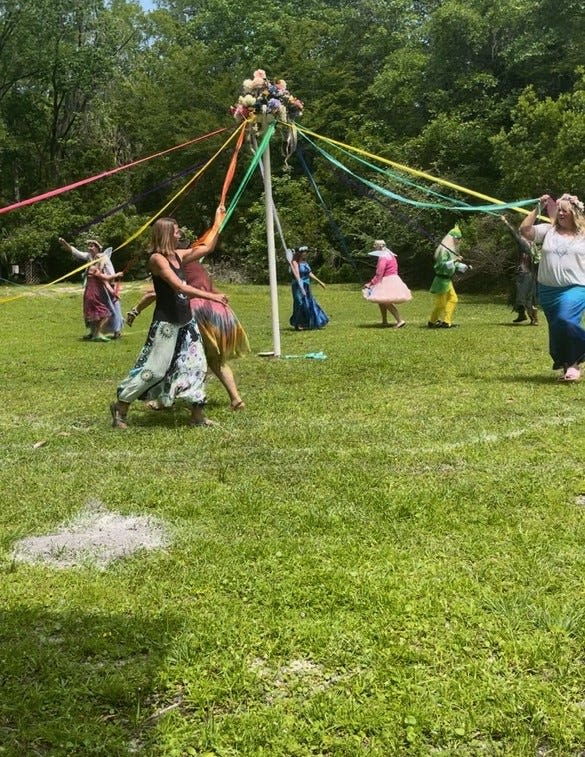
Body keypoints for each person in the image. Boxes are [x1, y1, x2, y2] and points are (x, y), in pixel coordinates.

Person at [109, 210, 229, 429]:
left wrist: (218, 222)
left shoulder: (178, 255)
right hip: (166, 324)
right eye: (176, 230)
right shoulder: (157, 259)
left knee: (197, 366)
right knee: (155, 370)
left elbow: (207, 247)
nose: (180, 233)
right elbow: (179, 286)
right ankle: (121, 406)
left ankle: (197, 417)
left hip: (186, 322)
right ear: (166, 234)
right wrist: (214, 296)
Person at [126, 244, 250, 411]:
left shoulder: (174, 263)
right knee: (215, 359)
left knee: (177, 357)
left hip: (198, 311)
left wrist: (135, 311)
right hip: (220, 312)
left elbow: (156, 294)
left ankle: (165, 401)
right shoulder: (196, 265)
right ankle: (236, 400)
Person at [519, 193, 585, 381]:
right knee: (558, 328)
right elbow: (524, 230)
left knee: (565, 319)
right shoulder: (548, 230)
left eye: (566, 210)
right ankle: (570, 367)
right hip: (547, 290)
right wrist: (538, 207)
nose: (561, 214)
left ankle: (572, 363)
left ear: (575, 213)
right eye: (559, 210)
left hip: (576, 287)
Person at [58, 237, 124, 339]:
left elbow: (110, 274)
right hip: (95, 288)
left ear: (98, 247)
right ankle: (93, 332)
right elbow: (75, 252)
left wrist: (111, 287)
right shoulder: (89, 257)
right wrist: (65, 243)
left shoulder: (104, 258)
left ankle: (116, 331)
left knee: (113, 308)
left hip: (106, 286)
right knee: (93, 309)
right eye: (88, 246)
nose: (89, 248)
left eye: (92, 246)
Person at [427, 225, 470, 329]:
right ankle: (432, 321)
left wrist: (465, 267)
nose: (459, 241)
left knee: (453, 299)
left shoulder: (451, 251)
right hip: (441, 280)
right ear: (452, 238)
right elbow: (442, 265)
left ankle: (446, 322)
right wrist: (455, 260)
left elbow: (453, 266)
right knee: (440, 304)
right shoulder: (444, 251)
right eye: (458, 238)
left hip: (447, 280)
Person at [362, 239, 411, 327]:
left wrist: (371, 283)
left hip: (387, 280)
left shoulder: (383, 257)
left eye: (375, 246)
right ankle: (384, 320)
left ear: (379, 247)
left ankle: (399, 320)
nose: (374, 247)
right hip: (394, 278)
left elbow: (379, 272)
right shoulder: (391, 255)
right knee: (381, 300)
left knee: (386, 301)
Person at [501, 215, 539, 325]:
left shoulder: (525, 244)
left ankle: (534, 319)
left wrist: (505, 222)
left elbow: (515, 235)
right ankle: (521, 315)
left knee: (525, 298)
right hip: (525, 274)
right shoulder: (531, 243)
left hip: (525, 275)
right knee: (518, 296)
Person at [83, 257, 124, 341]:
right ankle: (97, 334)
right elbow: (106, 278)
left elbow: (106, 283)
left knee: (97, 315)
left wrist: (114, 294)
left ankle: (95, 334)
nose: (104, 264)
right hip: (92, 295)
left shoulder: (95, 269)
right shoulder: (93, 268)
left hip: (91, 295)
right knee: (106, 314)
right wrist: (116, 275)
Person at [289, 246, 329, 330]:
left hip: (306, 285)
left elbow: (309, 273)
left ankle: (309, 322)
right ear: (299, 253)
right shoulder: (294, 263)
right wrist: (301, 288)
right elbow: (297, 276)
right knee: (299, 303)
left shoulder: (305, 262)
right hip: (298, 285)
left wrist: (320, 282)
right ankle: (298, 323)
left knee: (308, 303)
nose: (306, 254)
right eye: (304, 252)